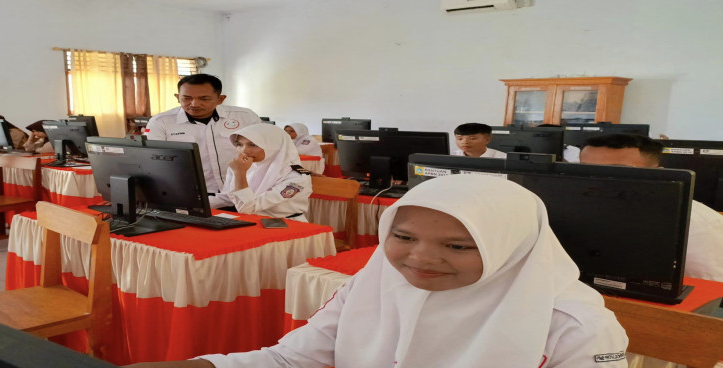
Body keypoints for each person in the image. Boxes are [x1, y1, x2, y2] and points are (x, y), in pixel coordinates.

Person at [125, 175, 629, 368]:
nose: (420, 259)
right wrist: (200, 367)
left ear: (511, 248)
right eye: (403, 237)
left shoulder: (575, 327)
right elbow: (289, 359)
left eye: (457, 246)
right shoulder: (372, 283)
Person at [579, 134, 723, 281]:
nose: (596, 180)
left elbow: (714, 287)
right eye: (585, 170)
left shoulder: (696, 223)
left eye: (617, 171)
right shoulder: (575, 209)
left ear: (658, 173)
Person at [144, 74, 261, 206]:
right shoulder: (161, 122)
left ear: (220, 99)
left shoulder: (245, 117)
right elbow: (153, 160)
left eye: (204, 98)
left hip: (243, 191)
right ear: (177, 97)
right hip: (192, 195)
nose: (194, 104)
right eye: (186, 98)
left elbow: (265, 152)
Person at [213, 124, 312, 221]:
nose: (244, 150)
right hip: (251, 221)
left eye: (253, 145)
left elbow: (248, 208)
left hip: (285, 224)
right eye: (239, 144)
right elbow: (227, 198)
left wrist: (240, 173)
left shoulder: (296, 177)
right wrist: (202, 205)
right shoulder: (245, 166)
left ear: (273, 146)